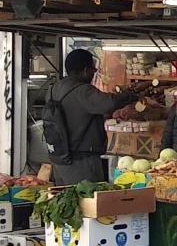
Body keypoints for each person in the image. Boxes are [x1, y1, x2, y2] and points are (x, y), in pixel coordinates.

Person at [47, 49, 144, 185]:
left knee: (67, 200)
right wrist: (132, 95)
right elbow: (109, 103)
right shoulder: (82, 91)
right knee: (88, 200)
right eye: (93, 70)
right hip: (81, 161)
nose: (93, 74)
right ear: (86, 70)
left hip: (60, 158)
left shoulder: (55, 88)